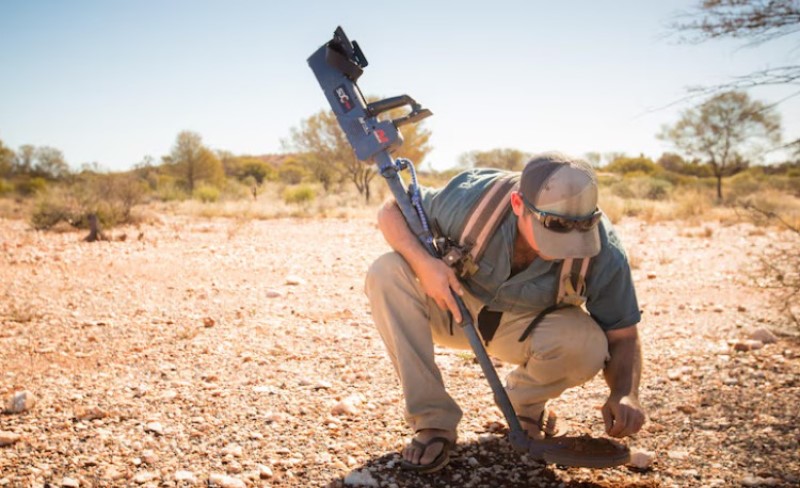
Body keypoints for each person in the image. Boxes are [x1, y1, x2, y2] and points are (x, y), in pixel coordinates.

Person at [364, 152, 646, 473]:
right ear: (517, 205)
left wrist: (625, 393)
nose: (566, 242)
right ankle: (432, 421)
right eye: (552, 227)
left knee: (588, 344)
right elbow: (393, 208)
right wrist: (424, 264)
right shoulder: (471, 199)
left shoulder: (604, 249)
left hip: (525, 329)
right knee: (386, 270)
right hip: (451, 307)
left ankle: (525, 407)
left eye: (582, 227)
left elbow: (623, 334)